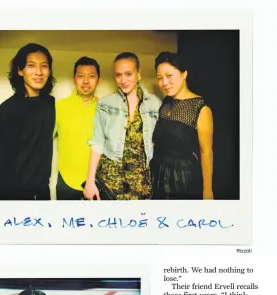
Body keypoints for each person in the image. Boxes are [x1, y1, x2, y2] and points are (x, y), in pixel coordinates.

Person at [0, 43, 56, 200]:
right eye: (31, 66)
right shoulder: (6, 111)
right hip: (15, 196)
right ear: (20, 71)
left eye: (44, 66)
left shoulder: (51, 105)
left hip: (42, 193)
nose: (38, 72)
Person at [83, 52, 161, 200]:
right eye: (118, 75)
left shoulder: (155, 104)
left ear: (138, 74)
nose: (123, 80)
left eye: (128, 74)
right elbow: (97, 143)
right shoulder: (106, 104)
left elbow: (160, 144)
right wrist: (90, 181)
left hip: (141, 183)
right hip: (110, 180)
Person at [150, 52, 214, 200]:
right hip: (158, 175)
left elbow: (206, 153)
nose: (164, 83)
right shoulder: (165, 103)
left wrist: (208, 191)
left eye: (169, 76)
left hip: (183, 180)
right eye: (160, 78)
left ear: (184, 74)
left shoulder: (200, 108)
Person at [55, 57, 100, 200]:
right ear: (74, 78)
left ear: (98, 79)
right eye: (81, 76)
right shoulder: (59, 107)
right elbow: (41, 143)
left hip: (98, 181)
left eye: (91, 76)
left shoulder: (105, 108)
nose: (86, 81)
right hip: (66, 180)